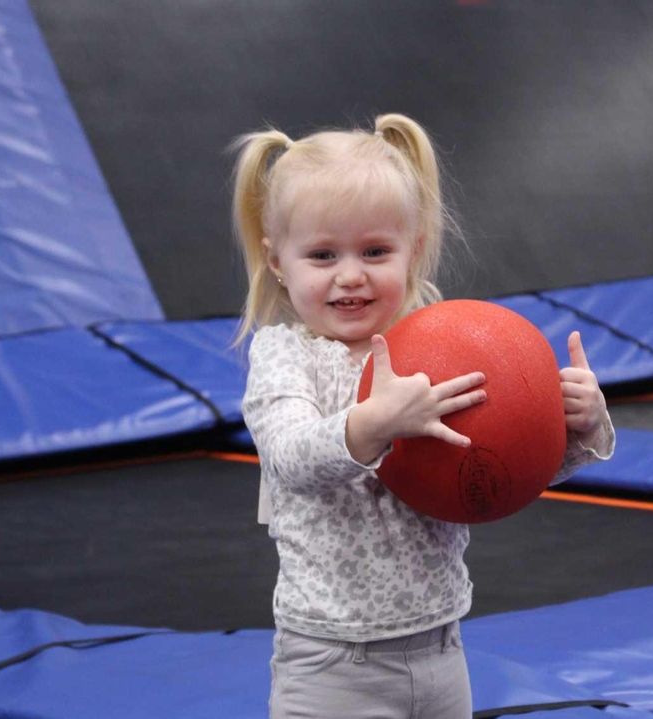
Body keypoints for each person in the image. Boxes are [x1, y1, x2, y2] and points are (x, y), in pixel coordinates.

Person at [233, 113, 614, 718]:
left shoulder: (437, 348)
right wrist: (375, 423)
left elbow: (496, 468)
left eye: (375, 251)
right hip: (332, 661)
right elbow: (290, 459)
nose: (351, 275)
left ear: (412, 250)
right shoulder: (286, 356)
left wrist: (577, 428)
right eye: (323, 255)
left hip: (440, 647)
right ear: (277, 260)